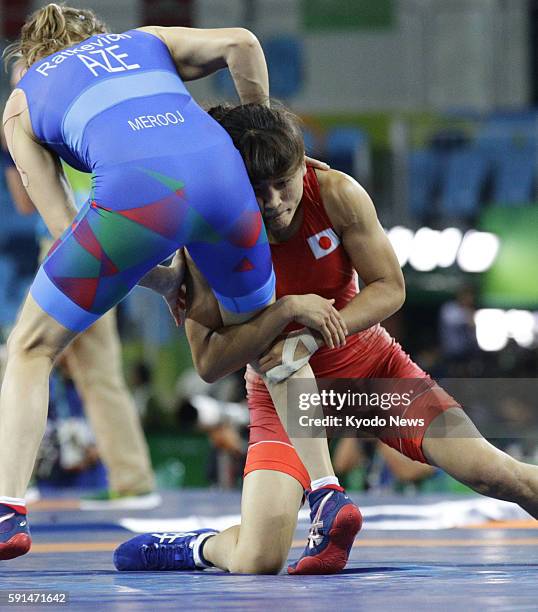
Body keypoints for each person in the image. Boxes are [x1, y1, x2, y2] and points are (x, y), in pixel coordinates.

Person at [114, 103, 538, 576]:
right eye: (257, 192)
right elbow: (210, 363)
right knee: (257, 559)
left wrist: (314, 335)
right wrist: (287, 311)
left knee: (496, 473)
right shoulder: (209, 236)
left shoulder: (336, 193)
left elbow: (390, 287)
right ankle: (199, 546)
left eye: (283, 183)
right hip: (282, 402)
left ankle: (325, 496)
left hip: (372, 376)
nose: (274, 202)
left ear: (302, 166)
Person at [1, 4, 348, 560]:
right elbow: (243, 43)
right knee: (273, 344)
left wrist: (161, 281)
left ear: (31, 58)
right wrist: (256, 140)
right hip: (226, 178)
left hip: (133, 204)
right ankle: (328, 492)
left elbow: (67, 231)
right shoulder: (144, 41)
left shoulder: (20, 101)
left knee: (31, 347)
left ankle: (7, 510)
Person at [1, 59, 159, 510]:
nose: (18, 83)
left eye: (21, 75)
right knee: (97, 373)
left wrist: (15, 151)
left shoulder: (29, 119)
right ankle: (133, 481)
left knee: (22, 357)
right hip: (109, 238)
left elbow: (25, 203)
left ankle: (12, 486)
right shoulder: (96, 106)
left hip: (65, 245)